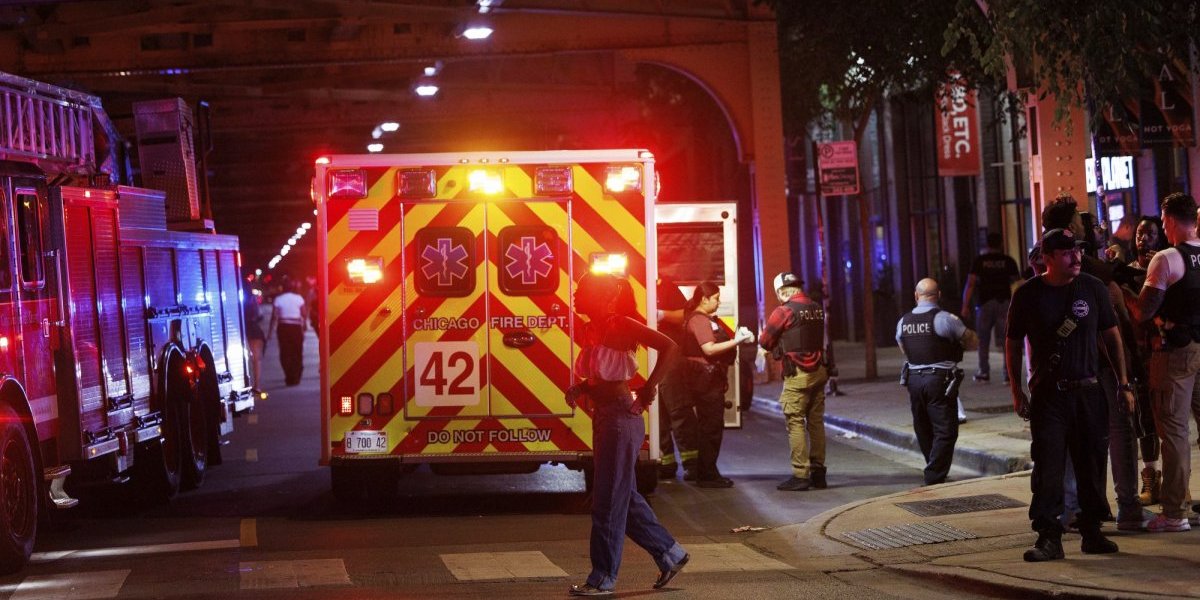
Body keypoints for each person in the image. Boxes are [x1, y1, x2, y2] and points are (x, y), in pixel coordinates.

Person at [1005, 228, 1133, 562]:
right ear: (1046, 258)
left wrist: (1123, 383)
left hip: (1088, 390)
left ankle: (1092, 531)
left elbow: (1112, 336)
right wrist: (1017, 390)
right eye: (1065, 253)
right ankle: (1049, 536)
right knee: (1049, 468)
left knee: (1091, 463)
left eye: (1076, 250)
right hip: (1050, 395)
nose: (1075, 257)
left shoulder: (1092, 288)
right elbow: (1013, 341)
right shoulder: (1028, 294)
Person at [567, 272, 688, 597]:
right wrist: (581, 387)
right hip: (606, 417)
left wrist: (649, 389)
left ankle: (602, 578)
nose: (576, 295)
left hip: (621, 418)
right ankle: (670, 554)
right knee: (624, 496)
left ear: (602, 296)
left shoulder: (620, 323)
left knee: (607, 501)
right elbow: (603, 373)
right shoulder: (594, 327)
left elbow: (670, 346)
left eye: (582, 290)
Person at [1043, 195, 1140, 528]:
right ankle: (1126, 507)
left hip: (1065, 369)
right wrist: (1127, 374)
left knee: (1076, 440)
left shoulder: (1040, 270)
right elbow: (1116, 323)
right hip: (1100, 366)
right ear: (1072, 226)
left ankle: (1077, 510)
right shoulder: (1093, 271)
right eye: (1082, 220)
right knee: (1116, 432)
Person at [1130, 192, 1200, 533]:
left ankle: (1174, 513)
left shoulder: (1168, 259)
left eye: (1162, 219)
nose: (1160, 225)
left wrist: (1122, 293)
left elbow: (1144, 310)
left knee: (1173, 431)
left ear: (1170, 219)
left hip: (1176, 352)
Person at [896, 278, 979, 486]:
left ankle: (933, 466)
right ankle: (934, 474)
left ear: (916, 296)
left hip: (914, 380)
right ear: (938, 295)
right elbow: (971, 341)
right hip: (939, 380)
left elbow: (903, 347)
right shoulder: (944, 319)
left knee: (922, 426)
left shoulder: (903, 321)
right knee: (946, 429)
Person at [679, 282, 754, 488]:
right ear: (704, 299)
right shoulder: (699, 321)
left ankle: (708, 471)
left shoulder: (702, 319)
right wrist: (737, 341)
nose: (719, 302)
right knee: (710, 428)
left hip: (706, 380)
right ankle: (707, 474)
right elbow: (709, 349)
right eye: (716, 298)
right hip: (706, 381)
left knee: (709, 427)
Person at [759, 272, 828, 492]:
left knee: (795, 421)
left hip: (797, 373)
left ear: (781, 291)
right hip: (819, 371)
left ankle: (800, 475)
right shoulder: (816, 307)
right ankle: (819, 473)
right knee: (816, 422)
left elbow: (766, 341)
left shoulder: (784, 310)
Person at [1126, 216, 1167, 505]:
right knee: (1145, 421)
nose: (1143, 238)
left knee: (1170, 420)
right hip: (1137, 354)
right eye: (1140, 233)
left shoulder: (1166, 267)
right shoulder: (1126, 272)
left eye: (1150, 233)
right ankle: (1150, 480)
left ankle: (1177, 479)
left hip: (1163, 352)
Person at [961, 232, 1020, 383]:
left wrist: (965, 306)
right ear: (1001, 244)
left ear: (987, 244)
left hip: (985, 303)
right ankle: (1008, 374)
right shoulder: (1008, 260)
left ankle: (983, 372)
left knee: (983, 339)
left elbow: (971, 284)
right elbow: (1018, 283)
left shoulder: (980, 261)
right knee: (1007, 340)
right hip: (1004, 303)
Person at [654, 276, 698, 480]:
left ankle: (692, 462)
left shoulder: (664, 286)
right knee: (657, 413)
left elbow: (684, 315)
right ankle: (666, 462)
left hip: (669, 354)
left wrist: (660, 315)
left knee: (678, 408)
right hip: (646, 356)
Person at [270, 278, 308, 386]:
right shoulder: (299, 298)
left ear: (283, 288)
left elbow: (274, 317)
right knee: (297, 351)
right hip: (296, 327)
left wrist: (269, 333)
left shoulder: (278, 299)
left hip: (283, 327)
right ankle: (296, 375)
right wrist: (304, 326)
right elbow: (304, 314)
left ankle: (289, 375)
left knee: (285, 353)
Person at [242, 279, 267, 396]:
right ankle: (256, 385)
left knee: (243, 359)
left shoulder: (235, 299)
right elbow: (259, 315)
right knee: (256, 358)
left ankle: (245, 384)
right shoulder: (252, 299)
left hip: (241, 330)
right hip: (254, 329)